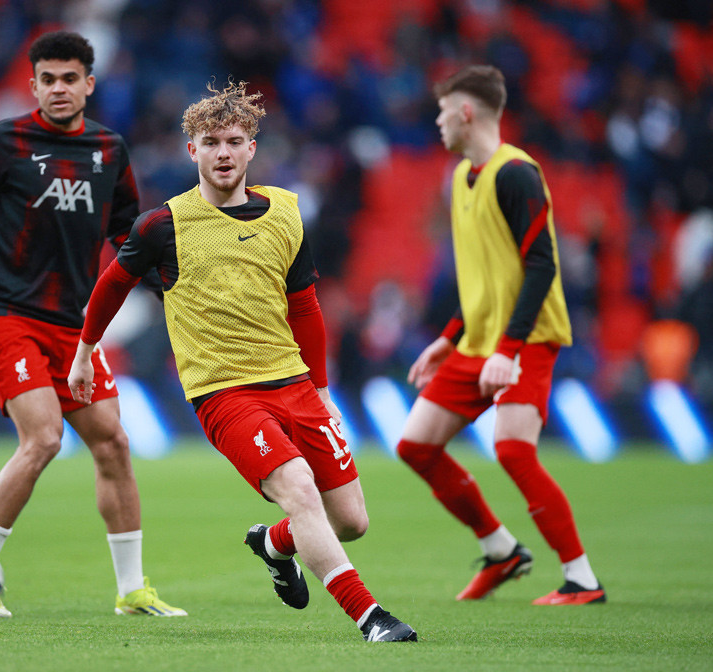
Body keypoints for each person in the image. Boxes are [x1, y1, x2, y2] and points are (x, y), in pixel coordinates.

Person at [68, 81, 417, 642]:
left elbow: (304, 306)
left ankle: (274, 544)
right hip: (225, 393)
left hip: (295, 383)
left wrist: (322, 389)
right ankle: (371, 618)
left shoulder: (285, 212)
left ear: (252, 148)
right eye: (210, 143)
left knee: (351, 521)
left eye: (234, 141)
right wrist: (85, 352)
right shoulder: (163, 225)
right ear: (192, 151)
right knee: (299, 488)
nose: (223, 152)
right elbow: (112, 284)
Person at [0, 31, 185, 619]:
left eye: (69, 78)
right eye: (48, 79)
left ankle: (132, 590)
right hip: (5, 313)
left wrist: (174, 289)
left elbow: (126, 236)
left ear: (89, 84)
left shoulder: (109, 149)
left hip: (72, 324)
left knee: (113, 442)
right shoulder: (3, 142)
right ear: (33, 85)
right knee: (43, 437)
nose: (58, 88)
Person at [396, 65, 605, 605]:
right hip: (478, 341)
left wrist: (508, 351)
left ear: (466, 113)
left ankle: (582, 579)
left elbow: (541, 265)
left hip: (525, 339)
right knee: (415, 446)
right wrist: (450, 336)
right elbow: (485, 276)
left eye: (444, 112)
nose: (438, 122)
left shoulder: (516, 174)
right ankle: (501, 550)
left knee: (513, 450)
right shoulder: (460, 177)